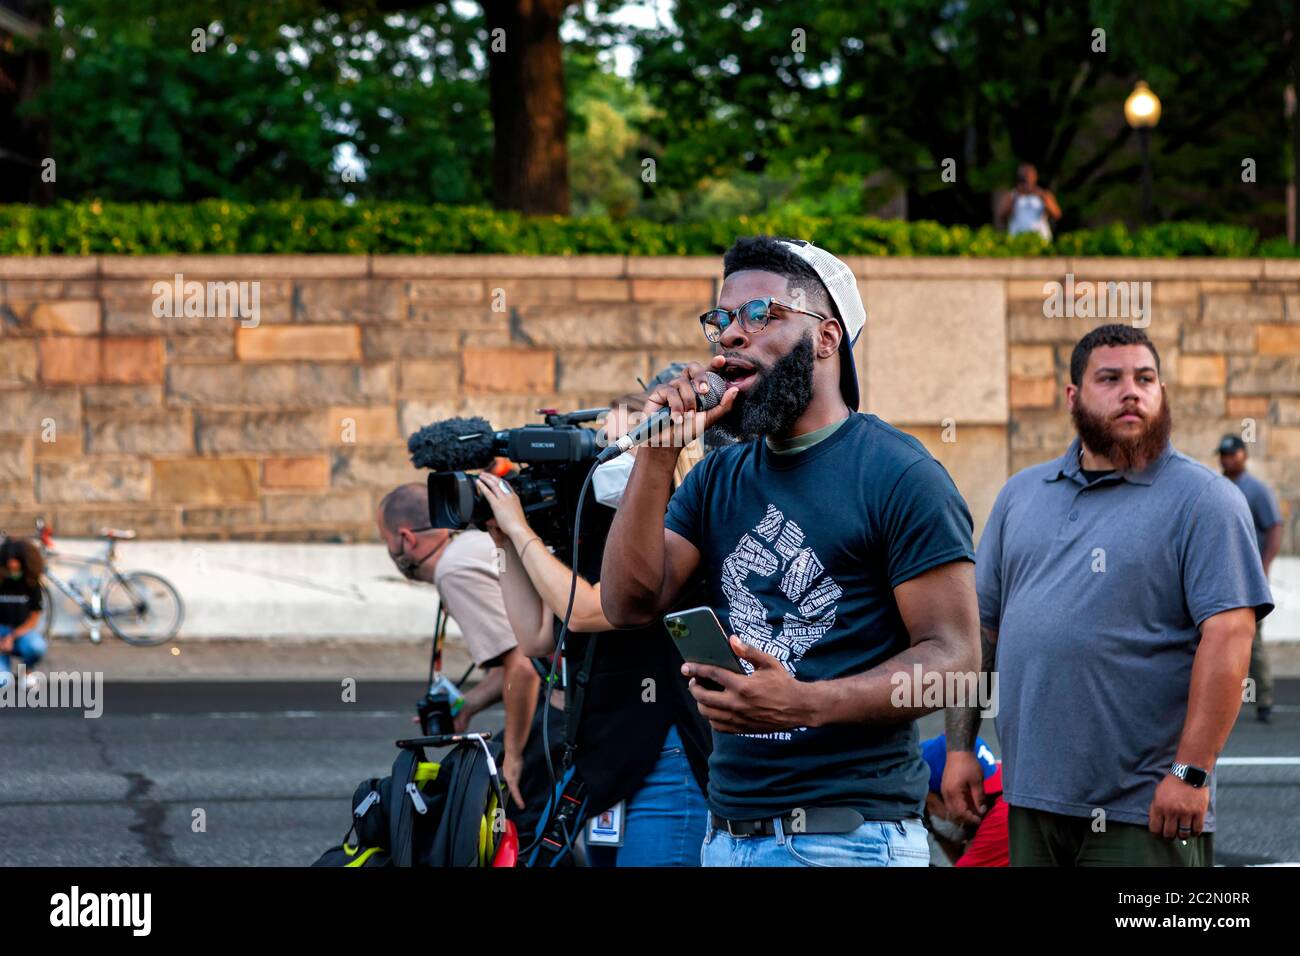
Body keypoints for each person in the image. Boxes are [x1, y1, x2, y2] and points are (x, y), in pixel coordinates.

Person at [600, 235, 980, 868]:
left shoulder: (898, 474)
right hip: (729, 835)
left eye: (761, 315)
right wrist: (658, 453)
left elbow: (957, 658)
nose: (730, 336)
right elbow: (627, 601)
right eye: (720, 319)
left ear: (827, 338)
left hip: (850, 839)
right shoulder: (718, 476)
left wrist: (807, 702)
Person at [945, 324, 1273, 867]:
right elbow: (983, 632)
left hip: (1145, 809)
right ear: (1073, 396)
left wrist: (1191, 771)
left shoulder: (1205, 500)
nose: (1132, 391)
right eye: (1111, 378)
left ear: (1162, 392)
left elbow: (1230, 634)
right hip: (1031, 801)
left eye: (1146, 379)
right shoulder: (1021, 496)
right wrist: (960, 749)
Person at [475, 372, 713, 867]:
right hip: (605, 757)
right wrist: (502, 545)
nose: (608, 459)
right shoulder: (598, 534)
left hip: (664, 755)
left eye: (625, 445)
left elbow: (586, 611)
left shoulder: (679, 531)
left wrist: (522, 532)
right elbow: (537, 636)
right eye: (605, 444)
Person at [375, 485, 541, 817]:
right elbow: (516, 663)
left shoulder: (455, 570)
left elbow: (524, 667)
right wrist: (467, 706)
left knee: (515, 811)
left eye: (386, 541)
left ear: (406, 538)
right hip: (575, 687)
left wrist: (513, 757)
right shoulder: (471, 546)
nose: (390, 551)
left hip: (565, 702)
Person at [1217, 434, 1284, 723]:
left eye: (1232, 454)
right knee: (1217, 640)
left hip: (1248, 577)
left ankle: (1264, 700)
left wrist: (1263, 565)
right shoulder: (1217, 487)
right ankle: (1221, 701)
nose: (1227, 459)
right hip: (1220, 577)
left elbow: (1275, 528)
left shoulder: (1256, 490)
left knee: (1252, 641)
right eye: (1223, 454)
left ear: (1244, 455)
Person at [919, 735, 1007, 867]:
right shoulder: (1004, 793)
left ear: (950, 793)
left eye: (929, 804)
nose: (930, 812)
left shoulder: (1002, 817)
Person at [0, 537, 47, 690]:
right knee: (3, 683)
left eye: (16, 561)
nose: (12, 564)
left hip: (21, 633)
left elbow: (34, 619)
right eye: (10, 561)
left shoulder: (32, 584)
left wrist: (11, 637)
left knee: (37, 646)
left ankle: (26, 672)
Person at [998, 163, 1061, 240]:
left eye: (1030, 176)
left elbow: (1057, 214)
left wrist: (1041, 196)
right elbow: (1001, 216)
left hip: (1041, 238)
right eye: (1024, 177)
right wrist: (1016, 196)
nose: (1027, 180)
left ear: (1035, 177)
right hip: (1017, 237)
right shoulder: (1012, 195)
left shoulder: (1044, 194)